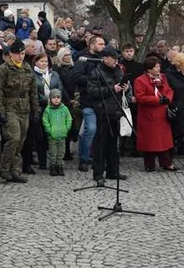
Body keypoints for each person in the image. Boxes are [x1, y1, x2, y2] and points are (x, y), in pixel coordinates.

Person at [0, 40, 38, 183]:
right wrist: (0, 110)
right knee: (14, 138)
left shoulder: (28, 69)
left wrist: (35, 109)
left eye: (23, 53)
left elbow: (33, 91)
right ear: (11, 54)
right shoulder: (3, 69)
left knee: (20, 141)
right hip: (10, 107)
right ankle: (5, 169)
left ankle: (15, 170)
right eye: (17, 54)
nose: (20, 56)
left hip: (24, 108)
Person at [86, 47, 128, 184]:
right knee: (100, 144)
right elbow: (92, 92)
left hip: (116, 111)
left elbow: (124, 90)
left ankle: (113, 171)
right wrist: (112, 89)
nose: (116, 61)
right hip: (102, 112)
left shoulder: (119, 70)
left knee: (114, 144)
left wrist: (125, 88)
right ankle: (98, 173)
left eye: (117, 58)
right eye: (113, 58)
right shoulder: (96, 72)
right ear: (105, 58)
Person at [133, 56, 176, 172]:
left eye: (159, 66)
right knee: (149, 141)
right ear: (149, 69)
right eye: (156, 67)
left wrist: (168, 98)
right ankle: (149, 164)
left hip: (162, 114)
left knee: (164, 141)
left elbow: (169, 90)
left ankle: (166, 162)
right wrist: (157, 100)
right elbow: (140, 97)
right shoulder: (140, 80)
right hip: (148, 115)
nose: (159, 69)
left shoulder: (162, 78)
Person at [72, 34, 106, 171]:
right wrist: (93, 80)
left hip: (103, 101)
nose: (103, 46)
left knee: (101, 132)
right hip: (88, 101)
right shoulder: (83, 60)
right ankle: (84, 159)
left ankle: (98, 158)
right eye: (101, 44)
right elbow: (76, 77)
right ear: (92, 45)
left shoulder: (103, 60)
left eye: (104, 44)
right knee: (90, 129)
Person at [25, 54, 62, 172]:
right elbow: (33, 92)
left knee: (53, 135)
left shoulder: (54, 74)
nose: (44, 63)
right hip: (39, 108)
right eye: (42, 61)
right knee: (39, 136)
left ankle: (55, 161)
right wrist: (48, 100)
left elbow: (60, 88)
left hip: (54, 108)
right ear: (35, 62)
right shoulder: (32, 75)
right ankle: (42, 161)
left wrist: (56, 98)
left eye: (46, 61)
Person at [41, 90, 72, 176]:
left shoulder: (64, 109)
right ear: (50, 99)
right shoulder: (48, 110)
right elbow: (45, 120)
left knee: (61, 152)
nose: (56, 100)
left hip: (62, 135)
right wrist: (49, 130)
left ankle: (60, 166)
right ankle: (53, 166)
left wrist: (66, 128)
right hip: (52, 136)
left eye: (58, 97)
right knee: (53, 152)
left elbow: (69, 119)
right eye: (54, 98)